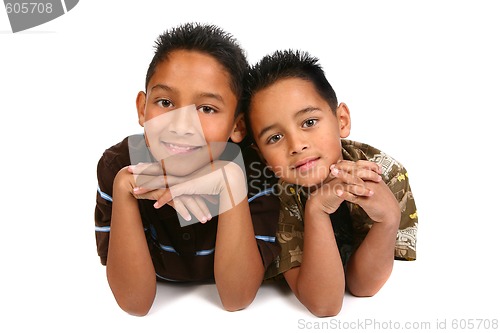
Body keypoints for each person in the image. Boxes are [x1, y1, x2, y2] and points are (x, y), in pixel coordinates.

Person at [94, 23, 280, 316]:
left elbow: (236, 298)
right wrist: (124, 190)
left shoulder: (257, 172)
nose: (181, 126)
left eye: (206, 109)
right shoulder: (118, 165)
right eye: (165, 102)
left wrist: (230, 182)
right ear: (143, 109)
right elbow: (134, 304)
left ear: (237, 125)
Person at [242, 50, 418, 317]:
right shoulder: (270, 197)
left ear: (341, 121)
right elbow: (325, 305)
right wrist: (316, 210)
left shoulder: (385, 174)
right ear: (262, 156)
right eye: (275, 138)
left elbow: (362, 287)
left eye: (309, 122)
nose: (297, 145)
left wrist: (389, 220)